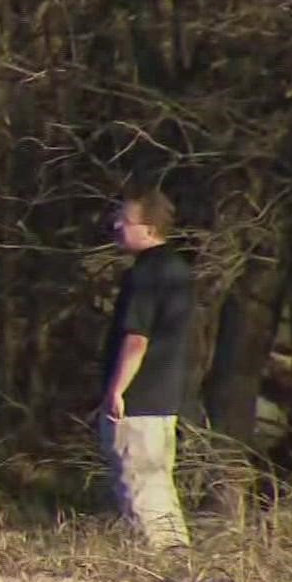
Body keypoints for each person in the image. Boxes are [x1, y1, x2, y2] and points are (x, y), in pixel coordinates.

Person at [98, 186, 197, 551]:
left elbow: (136, 339)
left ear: (149, 228)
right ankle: (177, 560)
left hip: (138, 402)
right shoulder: (178, 270)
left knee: (138, 488)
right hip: (165, 400)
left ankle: (162, 566)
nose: (116, 227)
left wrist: (116, 390)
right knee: (157, 485)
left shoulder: (146, 274)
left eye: (124, 221)